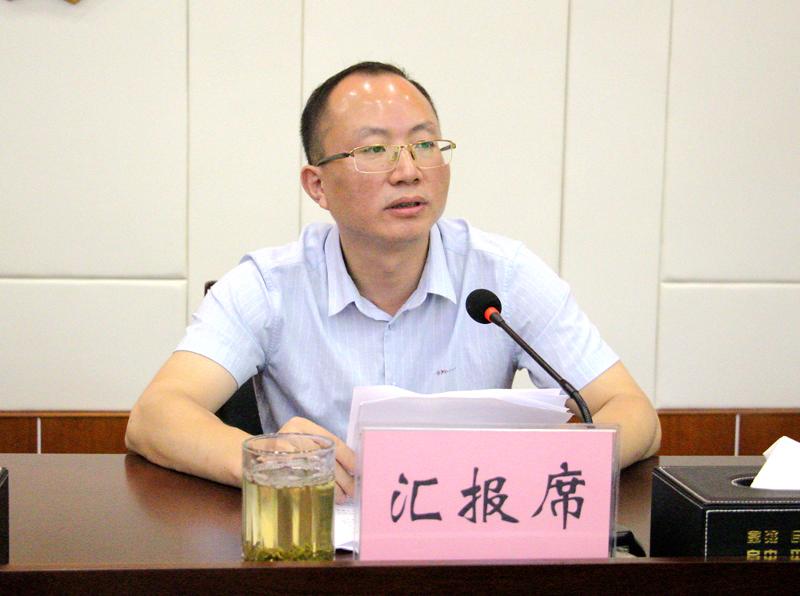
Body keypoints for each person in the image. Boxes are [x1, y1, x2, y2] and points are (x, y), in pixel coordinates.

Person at [125, 61, 661, 502]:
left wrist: (552, 460)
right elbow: (155, 416)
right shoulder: (269, 286)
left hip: (469, 544)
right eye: (373, 150)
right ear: (317, 185)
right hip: (320, 553)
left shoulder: (504, 276)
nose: (408, 171)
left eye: (425, 145)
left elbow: (633, 412)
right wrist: (262, 458)